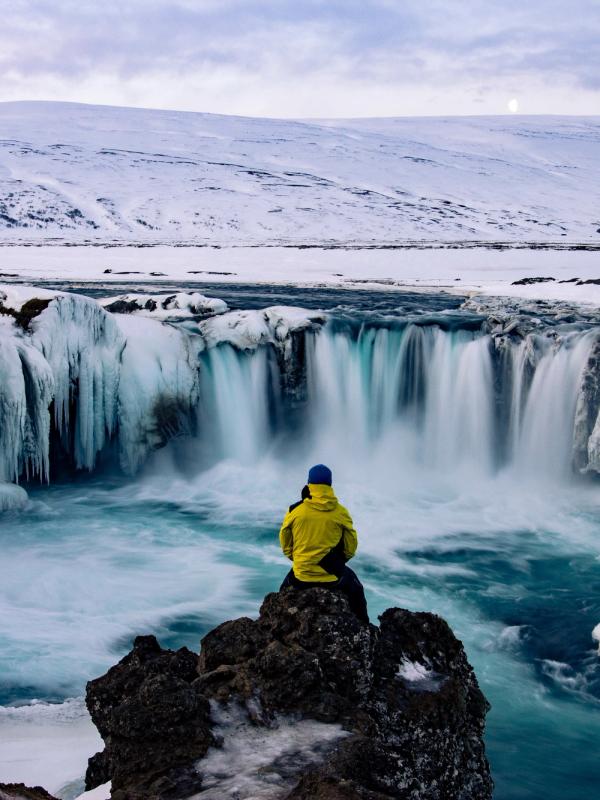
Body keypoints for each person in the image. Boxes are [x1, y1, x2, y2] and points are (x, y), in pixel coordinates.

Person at [279, 464, 369, 623]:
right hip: (332, 578)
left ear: (308, 483)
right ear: (330, 484)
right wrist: (339, 561)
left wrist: (298, 558)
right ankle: (364, 626)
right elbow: (351, 546)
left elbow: (285, 541)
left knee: (281, 594)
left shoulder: (295, 510)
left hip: (301, 576)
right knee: (356, 589)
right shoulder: (341, 512)